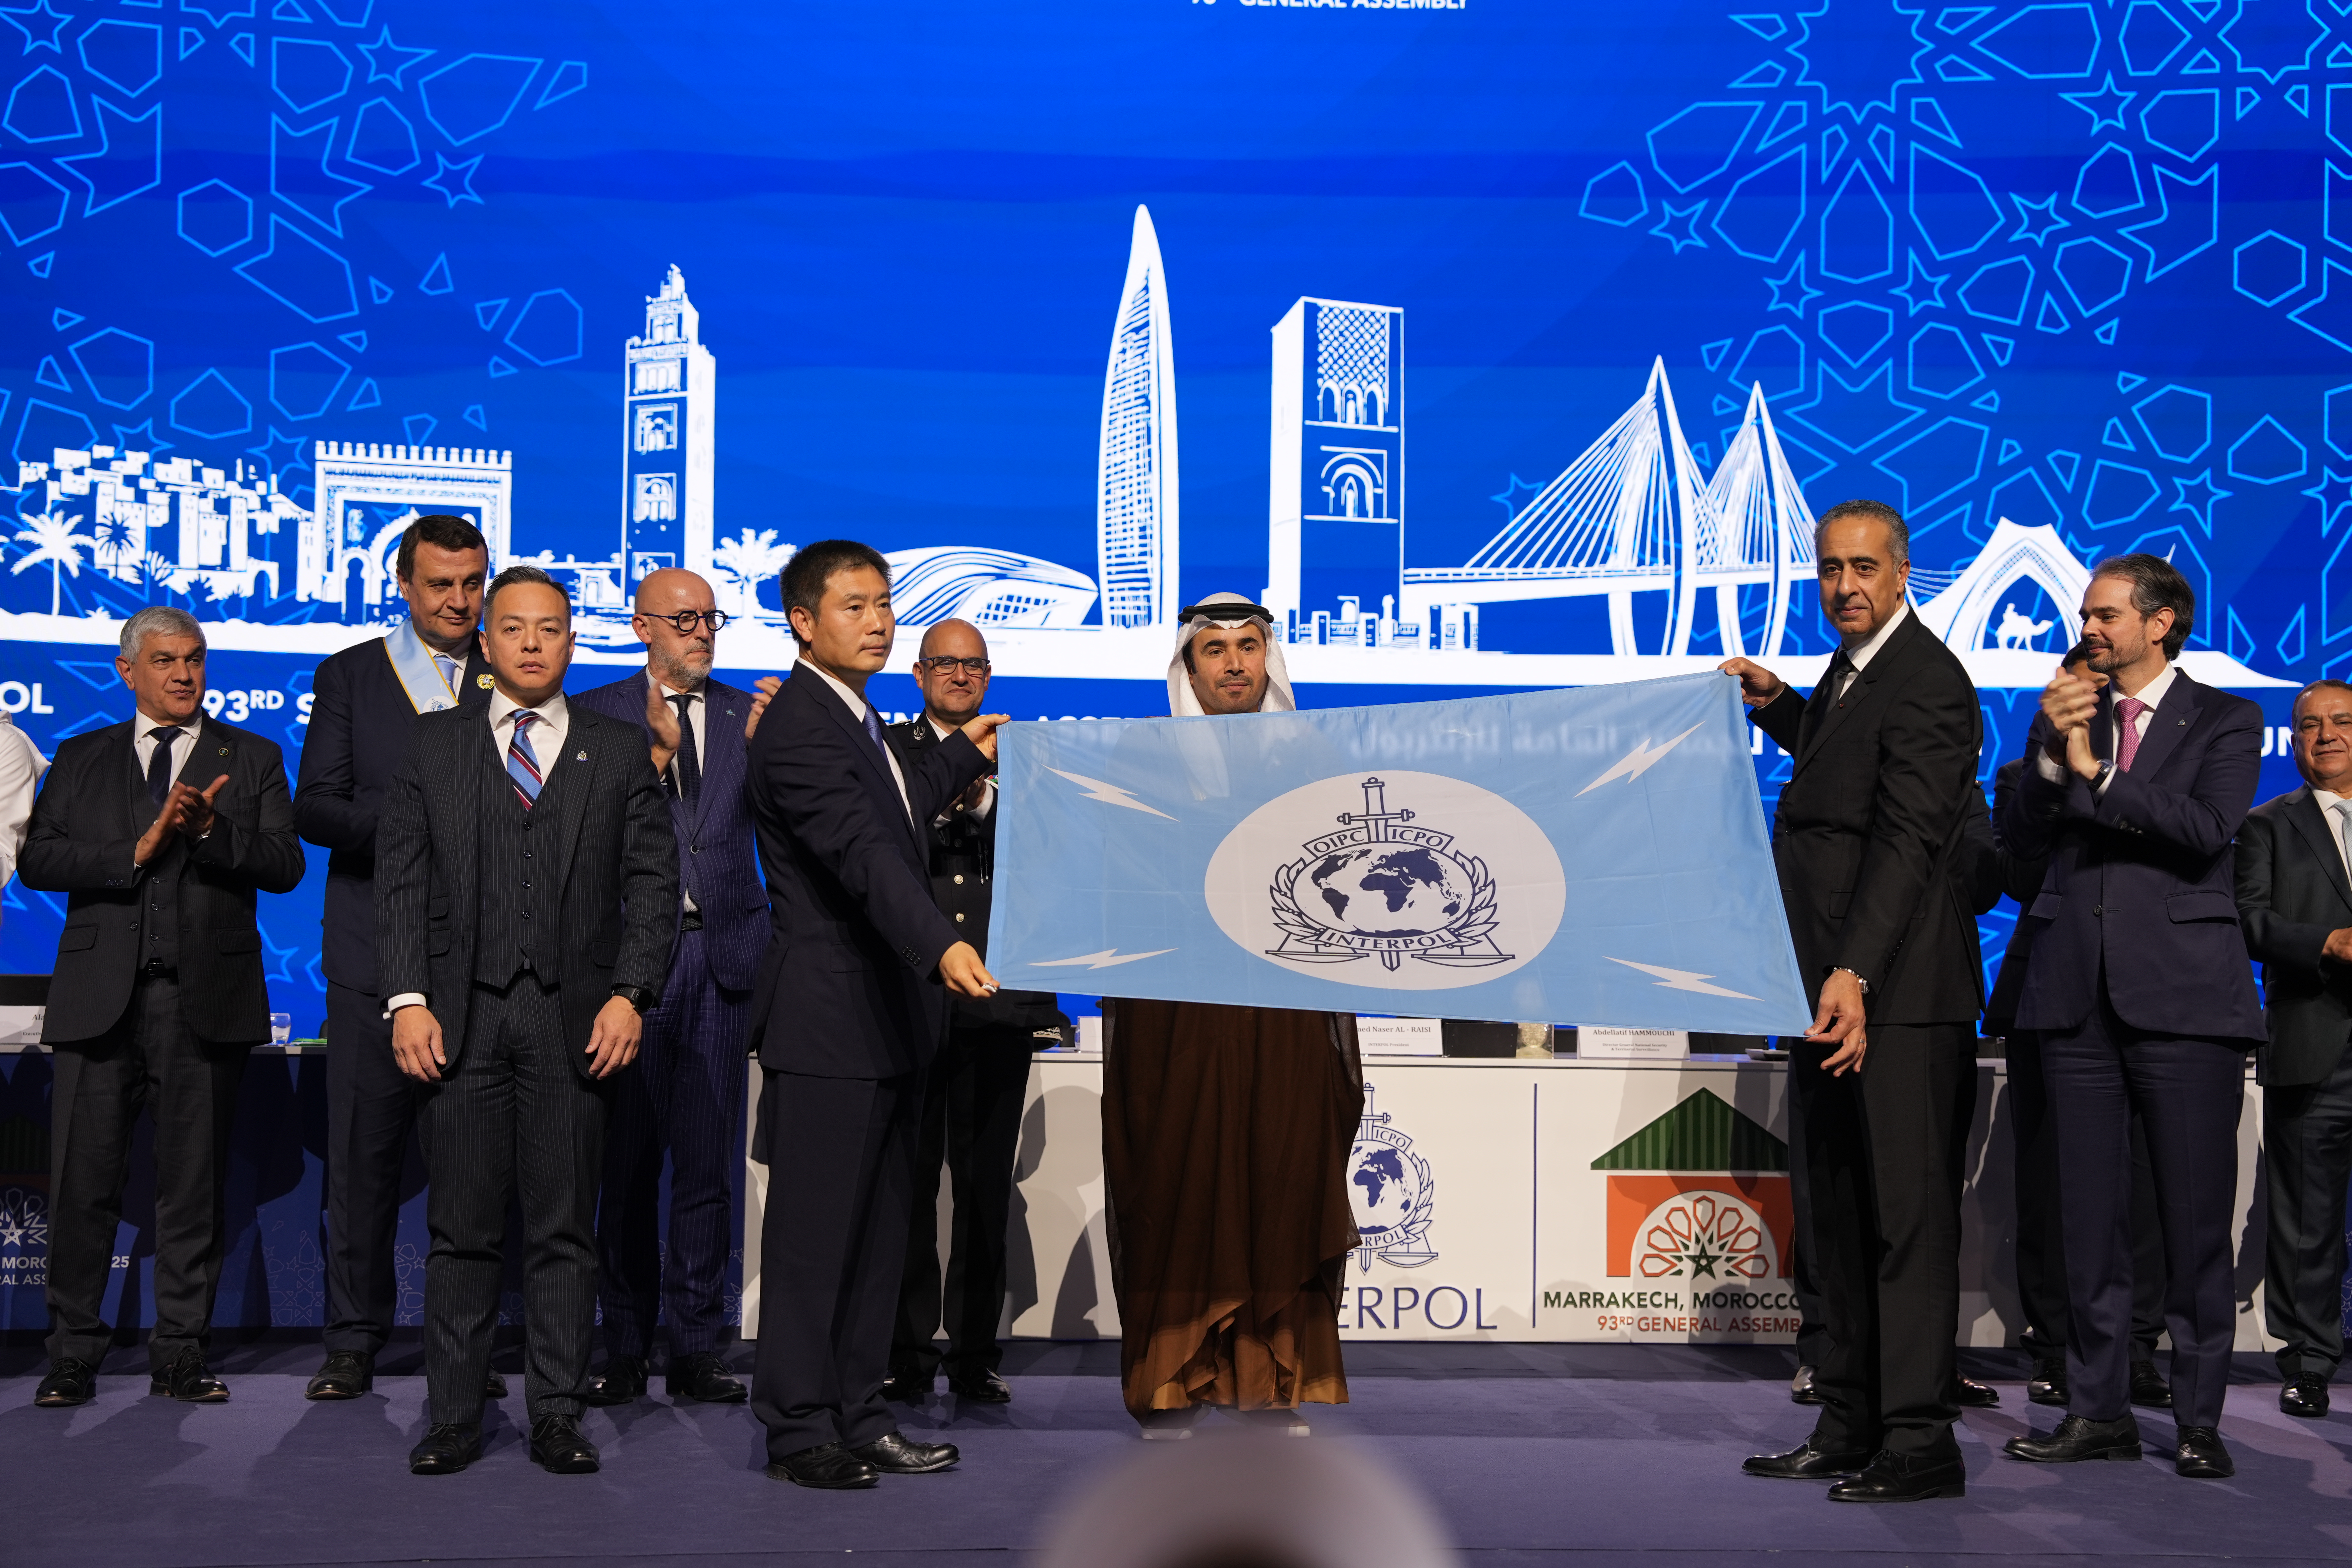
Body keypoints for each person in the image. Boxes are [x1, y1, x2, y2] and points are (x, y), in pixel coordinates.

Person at [377, 566, 679, 1477]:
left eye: (551, 629)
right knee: (462, 1233)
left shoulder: (620, 750)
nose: (534, 644)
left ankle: (556, 1413)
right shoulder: (432, 747)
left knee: (561, 1232)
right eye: (514, 629)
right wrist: (407, 1000)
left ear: (574, 640)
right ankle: (455, 1417)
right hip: (458, 1023)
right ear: (487, 640)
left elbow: (654, 888)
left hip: (574, 1026)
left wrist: (632, 993)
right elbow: (401, 887)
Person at [1719, 500, 1983, 1504]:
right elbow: (1841, 773)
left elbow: (1909, 841)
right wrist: (1782, 704)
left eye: (1864, 568)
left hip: (1897, 999)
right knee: (1835, 1216)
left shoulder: (1931, 682)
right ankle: (1849, 1422)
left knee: (1904, 1224)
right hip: (1828, 988)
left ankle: (1920, 1442)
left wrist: (1855, 973)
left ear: (1903, 571)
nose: (1845, 586)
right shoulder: (1851, 672)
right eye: (1830, 569)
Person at [744, 540, 1008, 1490]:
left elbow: (890, 812)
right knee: (817, 1244)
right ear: (804, 623)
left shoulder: (856, 720)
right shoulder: (798, 730)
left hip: (889, 1026)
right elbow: (866, 854)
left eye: (885, 602)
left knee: (878, 1238)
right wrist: (941, 943)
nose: (879, 620)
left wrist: (954, 759)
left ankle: (861, 1412)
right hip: (830, 1023)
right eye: (854, 606)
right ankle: (796, 1428)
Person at [1998, 553, 2263, 1481]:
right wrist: (2046, 748)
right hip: (2073, 999)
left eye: (2108, 613)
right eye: (2087, 613)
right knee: (2086, 1225)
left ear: (2163, 622)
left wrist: (2097, 779)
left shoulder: (2228, 718)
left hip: (2187, 1003)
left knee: (2193, 1226)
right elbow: (2021, 844)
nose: (2090, 628)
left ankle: (2197, 1419)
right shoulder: (2068, 713)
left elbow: (2203, 832)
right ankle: (2096, 1410)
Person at [23, 606, 304, 1408]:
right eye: (165, 660)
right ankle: (74, 1351)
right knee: (84, 1186)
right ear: (128, 671)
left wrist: (213, 830)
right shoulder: (80, 756)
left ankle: (180, 1350)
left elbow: (284, 863)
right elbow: (40, 858)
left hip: (201, 1005)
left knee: (193, 1188)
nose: (183, 673)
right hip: (96, 1003)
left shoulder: (249, 757)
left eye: (194, 658)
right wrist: (136, 851)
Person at [1100, 593, 1365, 1441]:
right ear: (1189, 665)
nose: (1233, 663)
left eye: (1249, 646)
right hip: (1175, 1015)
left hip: (1282, 1012)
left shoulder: (1316, 764)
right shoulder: (1144, 762)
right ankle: (1175, 1377)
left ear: (1269, 660)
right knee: (1180, 1179)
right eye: (1213, 648)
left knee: (1278, 1179)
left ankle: (1268, 1380)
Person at [294, 514, 504, 1402]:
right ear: (405, 587)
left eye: (471, 584)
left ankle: (467, 1345)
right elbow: (316, 809)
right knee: (363, 1159)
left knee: (477, 1169)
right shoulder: (353, 674)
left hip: (484, 961)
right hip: (374, 958)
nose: (459, 602)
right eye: (440, 585)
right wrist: (419, 821)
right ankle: (353, 1338)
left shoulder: (513, 678)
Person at [574, 569, 768, 1407]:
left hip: (724, 962)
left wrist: (784, 750)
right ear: (641, 626)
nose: (702, 632)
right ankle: (623, 1342)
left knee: (706, 1170)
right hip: (631, 971)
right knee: (625, 1169)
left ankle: (696, 1345)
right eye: (684, 619)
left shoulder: (743, 716)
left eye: (711, 618)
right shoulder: (595, 715)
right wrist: (653, 758)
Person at [881, 620, 1068, 1407]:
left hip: (1002, 1002)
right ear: (919, 673)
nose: (960, 675)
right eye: (945, 663)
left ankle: (976, 1353)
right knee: (910, 1186)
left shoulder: (1032, 758)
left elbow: (1059, 867)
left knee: (987, 1189)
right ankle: (907, 1351)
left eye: (975, 665)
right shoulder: (887, 750)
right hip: (910, 1001)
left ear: (989, 675)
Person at [1984, 751, 2172, 1414]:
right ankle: (2057, 1347)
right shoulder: (2025, 774)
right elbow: (2018, 874)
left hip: (2154, 983)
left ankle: (2137, 1346)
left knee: (2149, 1180)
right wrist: (2062, 777)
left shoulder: (2171, 762)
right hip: (2049, 988)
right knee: (2052, 1180)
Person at [2234, 677, 2352, 1420]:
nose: (2326, 735)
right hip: (2317, 1045)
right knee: (2305, 1218)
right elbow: (2248, 921)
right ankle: (2308, 1360)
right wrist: (2326, 943)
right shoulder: (2267, 825)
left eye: (2341, 721)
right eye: (2309, 725)